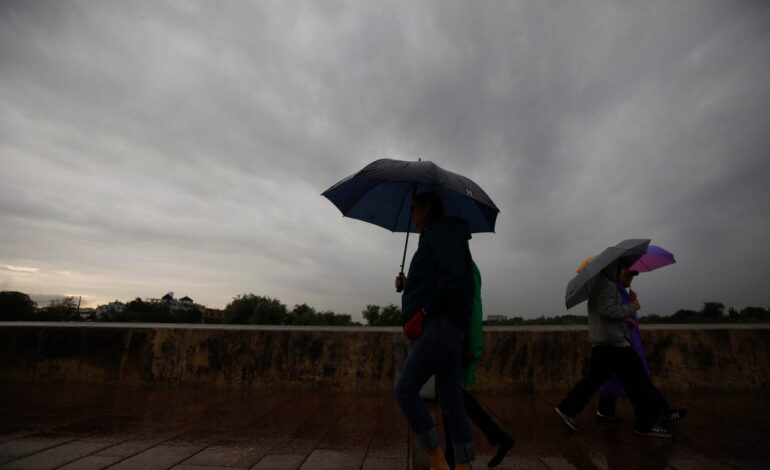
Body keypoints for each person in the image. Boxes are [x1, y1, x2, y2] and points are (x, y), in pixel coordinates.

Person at [394, 191, 476, 470]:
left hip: (439, 325)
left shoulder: (441, 233)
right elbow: (437, 278)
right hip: (448, 325)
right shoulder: (440, 235)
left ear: (428, 207)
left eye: (414, 208)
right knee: (451, 397)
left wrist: (426, 310)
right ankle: (463, 464)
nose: (411, 215)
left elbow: (453, 278)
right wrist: (408, 284)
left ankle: (436, 460)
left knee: (405, 390)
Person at [554, 257, 672, 438]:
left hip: (605, 343)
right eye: (627, 271)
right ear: (616, 268)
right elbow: (608, 311)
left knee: (593, 380)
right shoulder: (607, 285)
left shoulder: (598, 285)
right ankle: (645, 424)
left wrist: (624, 319)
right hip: (615, 344)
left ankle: (567, 408)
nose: (630, 276)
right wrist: (632, 306)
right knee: (639, 382)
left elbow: (605, 313)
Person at [444, 260, 515, 469]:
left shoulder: (460, 265)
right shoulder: (462, 263)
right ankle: (495, 438)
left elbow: (459, 301)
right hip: (451, 334)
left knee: (450, 394)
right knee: (450, 395)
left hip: (451, 335)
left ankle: (494, 438)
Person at [596, 289, 687, 425]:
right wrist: (629, 311)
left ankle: (604, 411)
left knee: (614, 377)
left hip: (620, 343)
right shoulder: (611, 290)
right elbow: (607, 314)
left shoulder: (617, 290)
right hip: (621, 343)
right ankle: (661, 413)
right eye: (627, 277)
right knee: (641, 379)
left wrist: (631, 302)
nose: (630, 279)